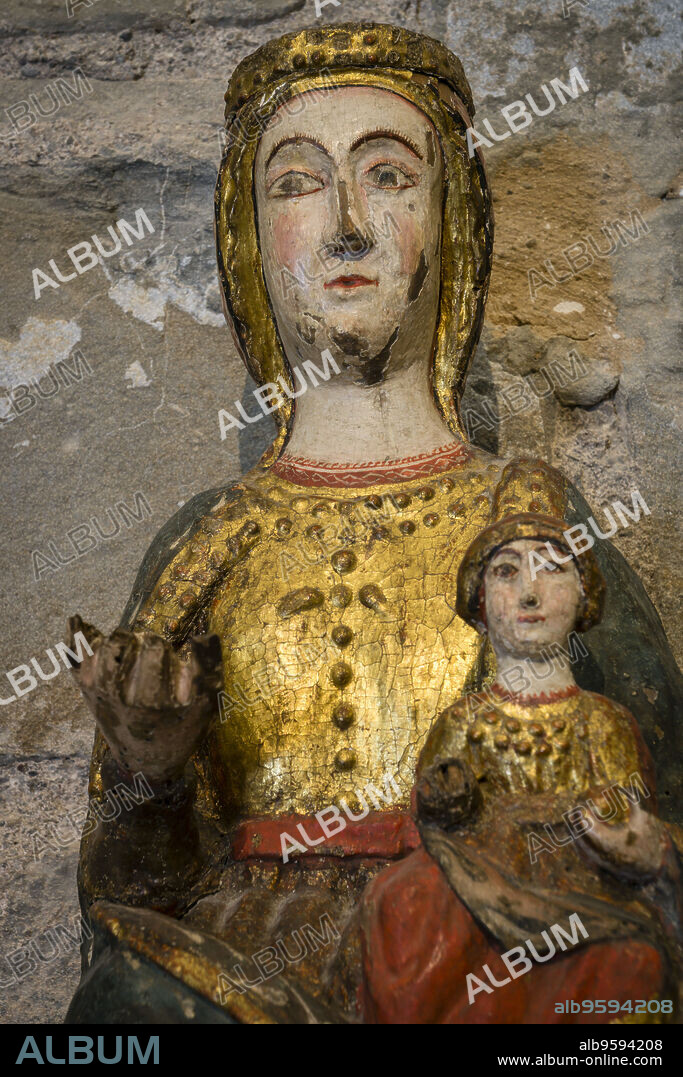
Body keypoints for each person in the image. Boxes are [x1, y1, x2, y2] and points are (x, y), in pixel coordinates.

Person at [65, 24, 681, 1023]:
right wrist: (151, 775)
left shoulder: (529, 527)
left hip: (474, 955)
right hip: (245, 973)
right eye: (297, 184)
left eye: (389, 176)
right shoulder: (204, 547)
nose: (347, 225)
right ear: (247, 233)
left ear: (451, 222)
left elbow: (654, 844)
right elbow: (125, 909)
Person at [359, 513, 682, 1024]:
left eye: (552, 570)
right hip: (476, 878)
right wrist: (448, 795)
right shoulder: (463, 720)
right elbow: (433, 816)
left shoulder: (604, 721)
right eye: (507, 573)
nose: (529, 595)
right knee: (404, 898)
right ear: (481, 603)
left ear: (584, 597)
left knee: (628, 956)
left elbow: (625, 818)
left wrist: (630, 842)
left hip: (580, 883)